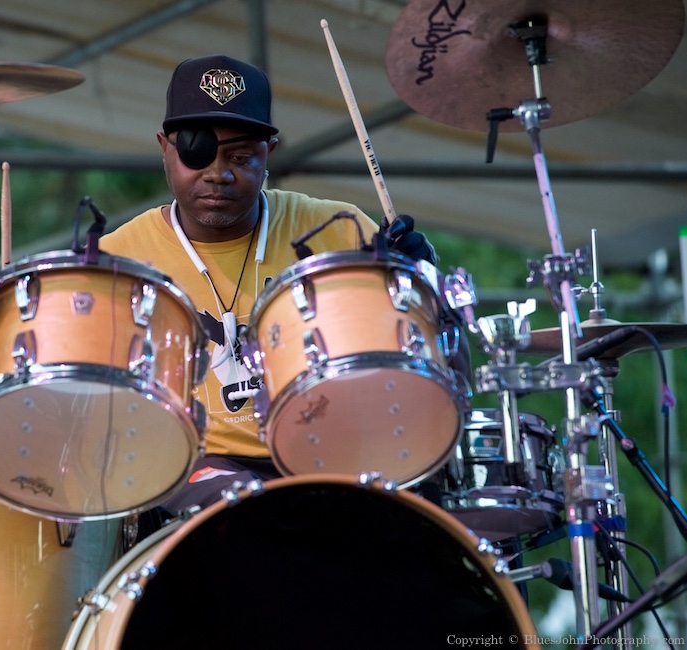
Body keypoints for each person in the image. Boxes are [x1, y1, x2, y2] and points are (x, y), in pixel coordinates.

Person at [100, 54, 446, 521]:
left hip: (336, 458)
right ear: (165, 146)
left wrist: (423, 284)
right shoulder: (117, 259)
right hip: (195, 472)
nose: (219, 173)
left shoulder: (339, 231)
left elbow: (437, 359)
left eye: (242, 157)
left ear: (271, 153)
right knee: (248, 512)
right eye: (197, 153)